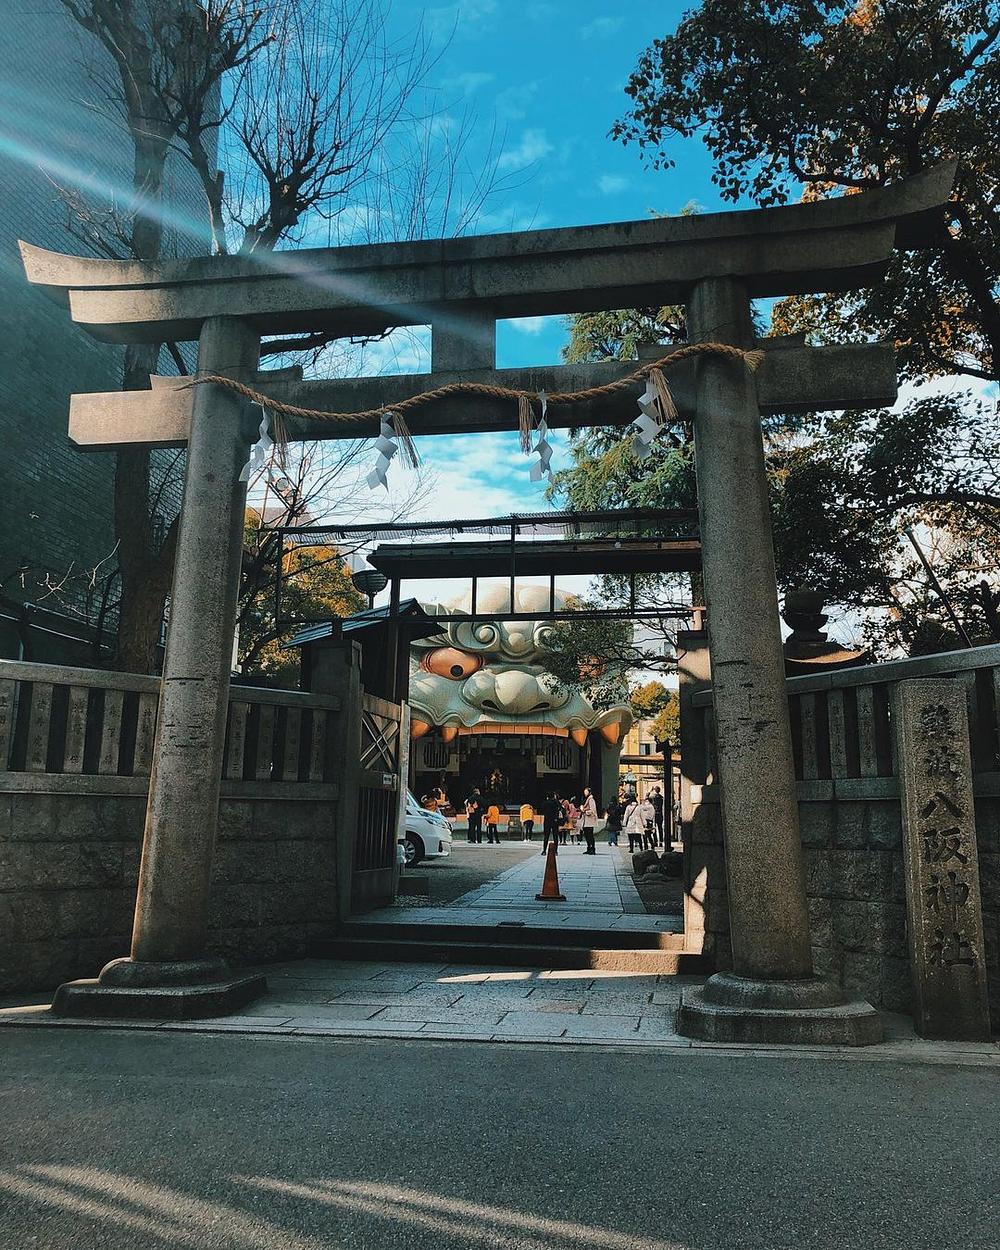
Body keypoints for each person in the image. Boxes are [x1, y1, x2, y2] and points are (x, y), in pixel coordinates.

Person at [580, 788, 598, 855]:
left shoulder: (591, 799)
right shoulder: (586, 799)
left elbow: (593, 810)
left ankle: (592, 849)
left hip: (589, 820)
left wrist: (585, 811)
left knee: (590, 835)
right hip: (586, 820)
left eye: (586, 792)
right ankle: (589, 848)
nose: (585, 793)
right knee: (587, 835)